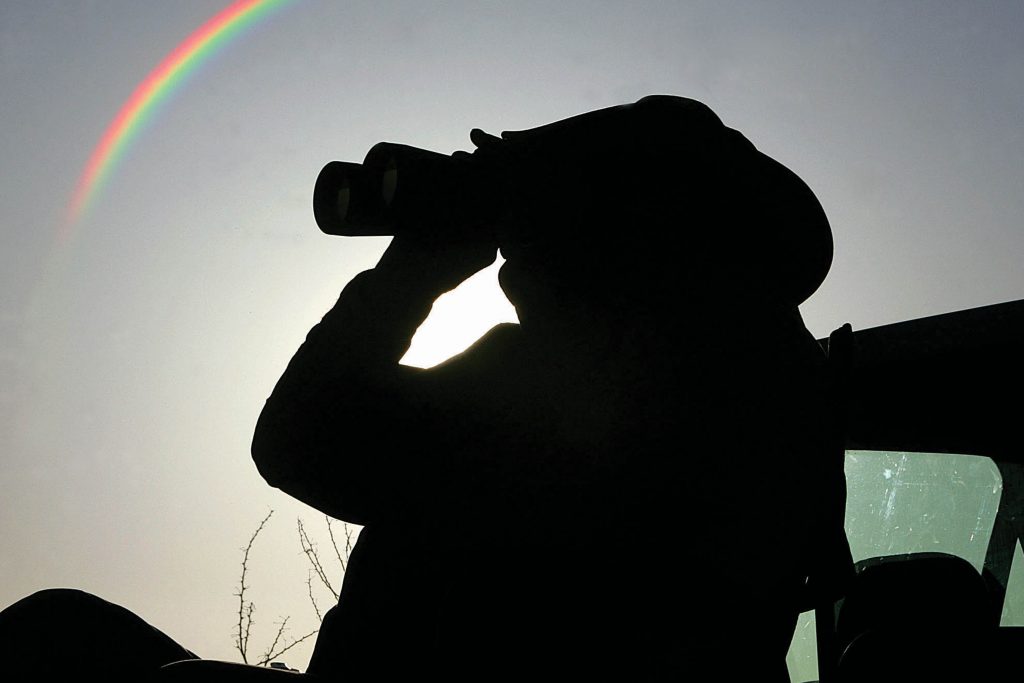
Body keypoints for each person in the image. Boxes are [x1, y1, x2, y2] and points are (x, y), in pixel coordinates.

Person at [251, 95, 850, 681]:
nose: (522, 247)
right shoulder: (781, 391)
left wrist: (416, 266)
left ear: (636, 219)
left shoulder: (581, 384)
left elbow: (302, 436)